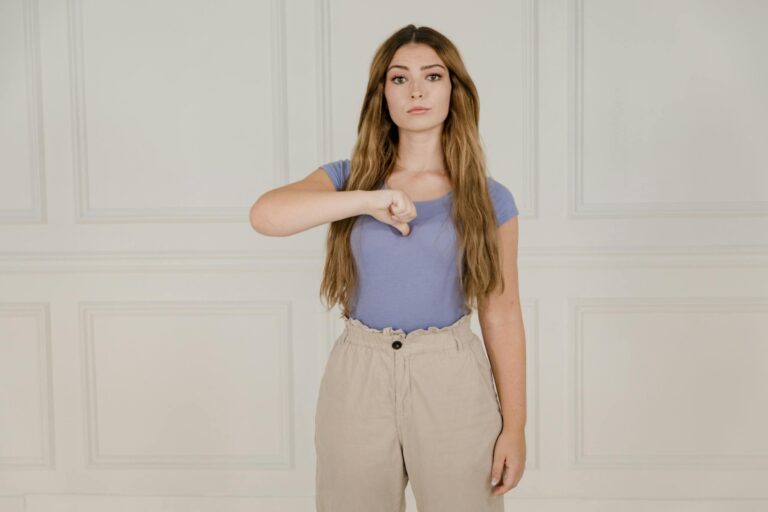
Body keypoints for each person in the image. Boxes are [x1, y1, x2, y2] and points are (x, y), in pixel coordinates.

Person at [250, 24, 526, 512]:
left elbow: (502, 312)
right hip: (359, 372)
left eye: (432, 76)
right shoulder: (346, 179)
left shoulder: (489, 198)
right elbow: (266, 215)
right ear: (383, 94)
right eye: (399, 78)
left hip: (452, 375)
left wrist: (516, 427)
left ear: (453, 90)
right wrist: (369, 199)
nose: (416, 89)